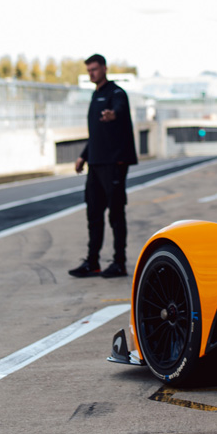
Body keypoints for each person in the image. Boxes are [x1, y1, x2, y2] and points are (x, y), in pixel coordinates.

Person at [69, 54, 137, 278]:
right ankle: (92, 262)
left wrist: (113, 114)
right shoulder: (95, 95)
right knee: (93, 214)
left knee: (116, 215)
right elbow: (97, 134)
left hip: (114, 163)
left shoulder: (116, 93)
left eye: (95, 69)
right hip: (96, 163)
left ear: (105, 69)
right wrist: (83, 156)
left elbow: (119, 109)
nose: (91, 73)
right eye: (89, 70)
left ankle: (119, 262)